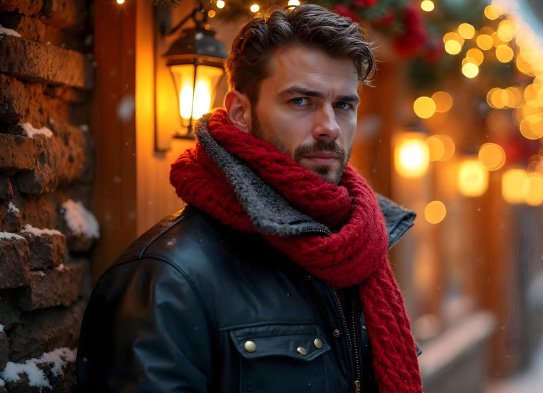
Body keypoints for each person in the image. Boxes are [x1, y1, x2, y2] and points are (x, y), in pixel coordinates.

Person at [77, 4, 423, 393]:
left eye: (343, 105)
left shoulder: (360, 249)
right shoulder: (167, 279)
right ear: (241, 112)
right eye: (301, 101)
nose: (329, 127)